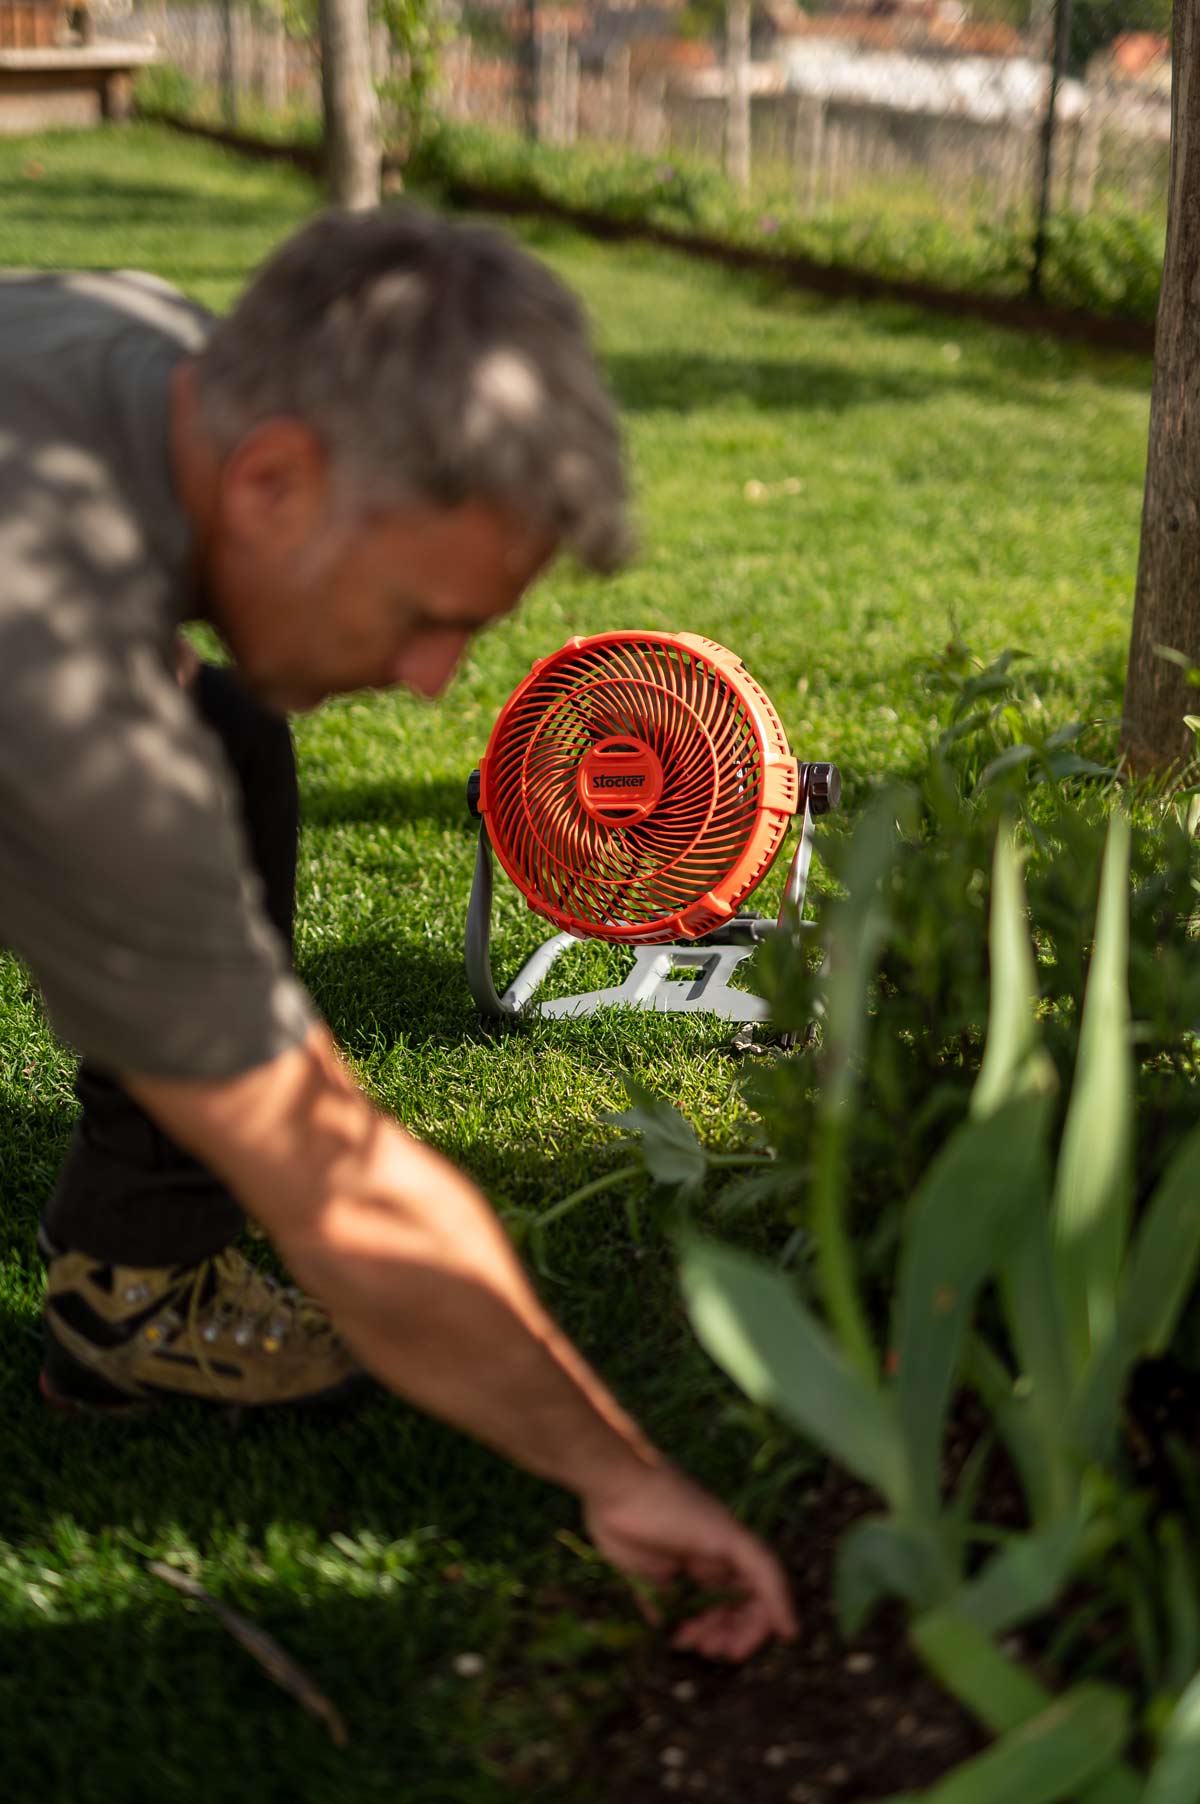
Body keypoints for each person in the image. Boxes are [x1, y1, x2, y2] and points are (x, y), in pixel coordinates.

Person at [0, 205, 796, 1662]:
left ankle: (136, 1272)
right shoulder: (51, 669)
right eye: (427, 616)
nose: (436, 684)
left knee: (223, 718)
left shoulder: (155, 349)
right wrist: (616, 1468)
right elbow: (344, 1193)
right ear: (275, 481)